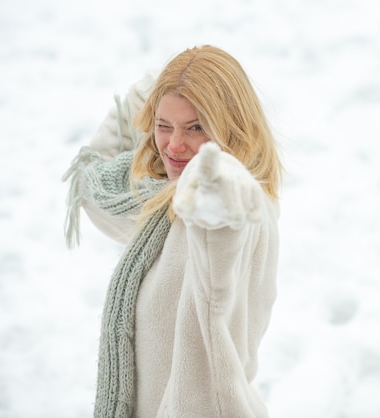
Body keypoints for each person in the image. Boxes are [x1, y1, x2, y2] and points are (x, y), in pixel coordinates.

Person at [63, 45, 283, 418]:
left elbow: (226, 205)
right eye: (163, 126)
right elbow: (97, 189)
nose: (175, 145)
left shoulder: (231, 203)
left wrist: (217, 181)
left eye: (196, 127)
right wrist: (143, 96)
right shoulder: (161, 205)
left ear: (231, 126)